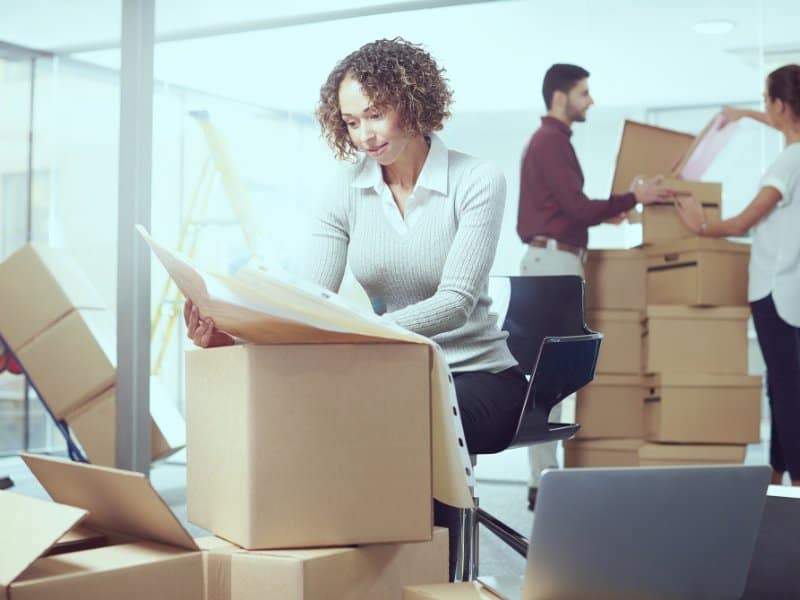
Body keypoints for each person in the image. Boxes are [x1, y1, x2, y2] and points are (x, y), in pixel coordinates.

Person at [185, 37, 527, 580]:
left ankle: (436, 579)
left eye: (376, 114)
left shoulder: (476, 179)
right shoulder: (343, 190)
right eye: (350, 122)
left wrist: (359, 334)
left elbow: (455, 304)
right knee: (332, 404)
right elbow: (308, 303)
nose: (365, 134)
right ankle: (357, 568)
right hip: (392, 371)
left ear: (413, 103)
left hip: (477, 373)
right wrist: (233, 334)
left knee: (403, 420)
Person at [516, 63, 672, 511]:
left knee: (551, 374)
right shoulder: (551, 142)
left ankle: (542, 476)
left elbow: (571, 209)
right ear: (560, 97)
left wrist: (611, 211)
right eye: (584, 93)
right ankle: (543, 478)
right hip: (553, 264)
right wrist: (632, 198)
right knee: (549, 376)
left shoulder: (550, 142)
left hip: (554, 260)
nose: (591, 101)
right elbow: (577, 207)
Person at [675, 64, 800, 488]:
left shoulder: (787, 163)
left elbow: (747, 219)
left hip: (773, 289)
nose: (765, 108)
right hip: (790, 291)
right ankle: (781, 474)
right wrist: (747, 115)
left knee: (786, 388)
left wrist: (702, 224)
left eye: (766, 101)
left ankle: (795, 478)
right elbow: (780, 119)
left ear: (781, 104)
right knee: (783, 382)